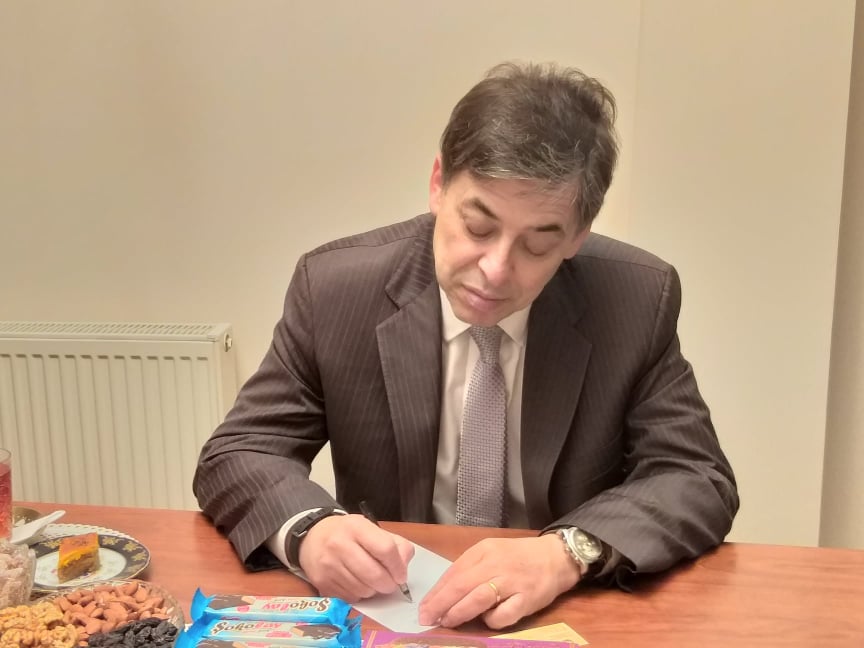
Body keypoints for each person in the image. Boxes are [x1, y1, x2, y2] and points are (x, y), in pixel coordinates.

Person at [193, 61, 739, 630]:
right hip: (393, 610)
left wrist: (566, 552)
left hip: (558, 615)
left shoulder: (635, 299)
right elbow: (241, 451)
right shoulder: (335, 290)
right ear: (438, 184)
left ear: (578, 234)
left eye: (537, 245)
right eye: (478, 227)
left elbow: (695, 477)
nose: (496, 270)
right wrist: (310, 531)